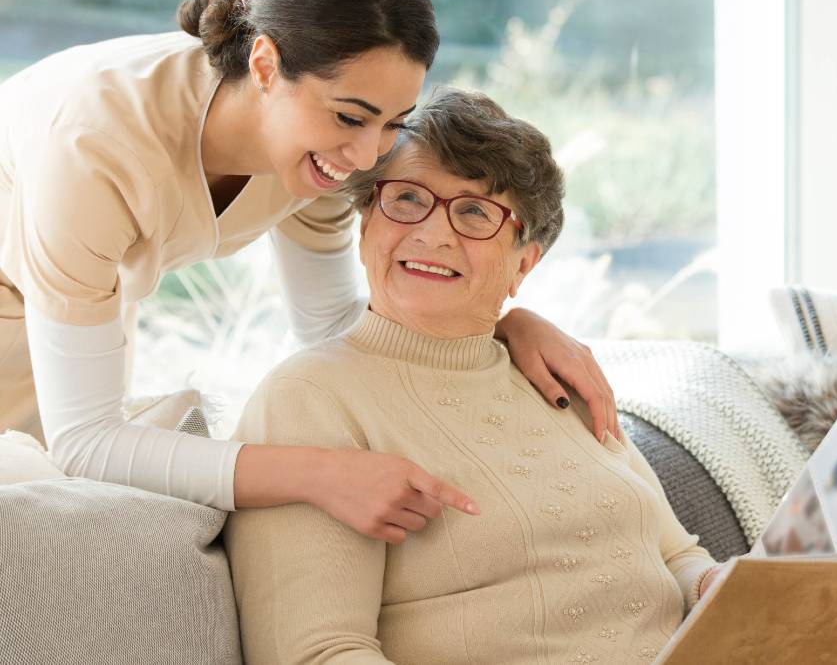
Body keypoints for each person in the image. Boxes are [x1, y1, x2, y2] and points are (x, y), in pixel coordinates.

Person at [0, 0, 618, 542]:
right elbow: (87, 441)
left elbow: (328, 325)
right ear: (265, 65)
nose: (367, 154)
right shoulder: (97, 145)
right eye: (351, 116)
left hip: (67, 311)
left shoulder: (313, 160)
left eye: (391, 124)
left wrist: (497, 324)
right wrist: (323, 474)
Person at [223, 87, 723, 664]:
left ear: (523, 264)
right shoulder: (309, 400)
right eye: (407, 199)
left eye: (475, 212)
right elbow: (318, 653)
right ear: (364, 228)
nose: (434, 234)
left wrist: (719, 586)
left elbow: (679, 557)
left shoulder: (558, 379)